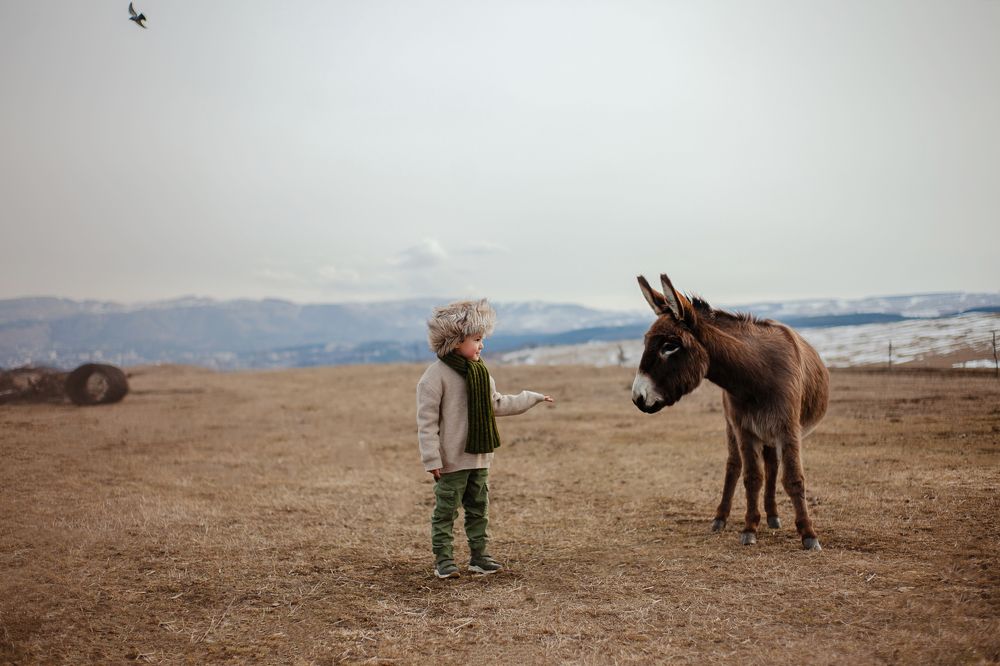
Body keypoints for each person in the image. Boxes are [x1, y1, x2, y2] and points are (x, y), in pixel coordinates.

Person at [416, 299, 553, 579]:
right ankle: (444, 560)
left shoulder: (480, 373)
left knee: (479, 510)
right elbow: (426, 423)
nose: (482, 346)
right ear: (455, 341)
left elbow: (497, 405)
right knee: (446, 513)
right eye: (477, 339)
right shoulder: (434, 378)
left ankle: (479, 557)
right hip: (451, 461)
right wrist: (432, 458)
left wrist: (531, 398)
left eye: (482, 340)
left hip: (478, 457)